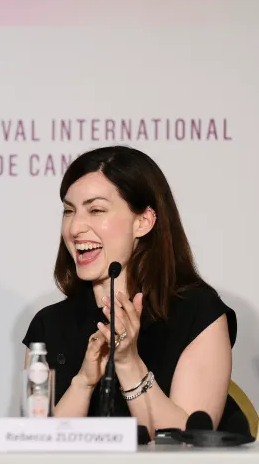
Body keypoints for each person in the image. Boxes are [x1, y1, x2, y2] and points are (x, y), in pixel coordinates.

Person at [23, 145, 236, 434]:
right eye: (69, 211)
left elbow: (190, 444)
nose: (75, 228)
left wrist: (128, 362)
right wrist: (83, 382)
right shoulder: (48, 325)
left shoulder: (197, 312)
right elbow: (35, 447)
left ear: (144, 221)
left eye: (96, 210)